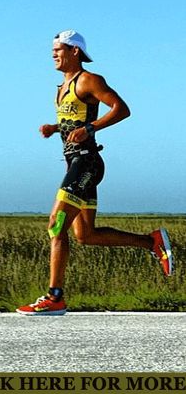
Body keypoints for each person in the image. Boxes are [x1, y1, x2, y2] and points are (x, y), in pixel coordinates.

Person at [17, 30, 173, 316]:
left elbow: (121, 109)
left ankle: (55, 297)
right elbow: (74, 120)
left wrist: (91, 129)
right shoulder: (61, 87)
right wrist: (55, 129)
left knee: (56, 223)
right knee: (85, 235)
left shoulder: (89, 80)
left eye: (58, 49)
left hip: (86, 164)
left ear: (74, 51)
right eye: (52, 50)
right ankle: (150, 242)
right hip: (75, 163)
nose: (53, 54)